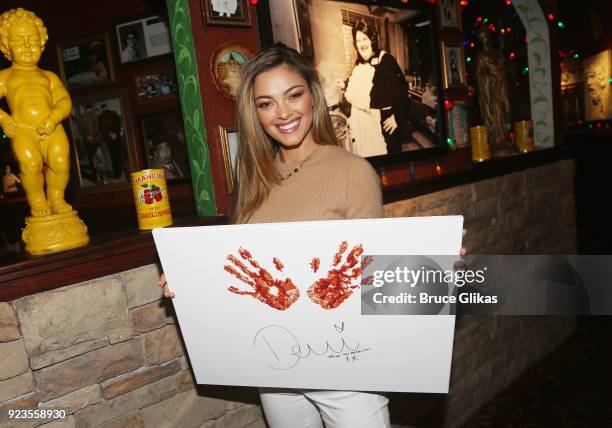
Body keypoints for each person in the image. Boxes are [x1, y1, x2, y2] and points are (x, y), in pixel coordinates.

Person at [158, 44, 467, 427]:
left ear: (312, 96)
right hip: (276, 366)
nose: (283, 113)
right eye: (266, 103)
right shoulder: (252, 180)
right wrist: (190, 279)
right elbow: (245, 270)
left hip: (347, 370)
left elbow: (371, 278)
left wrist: (428, 270)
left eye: (293, 95)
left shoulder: (351, 172)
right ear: (253, 113)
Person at [0, 8, 72, 216]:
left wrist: (54, 117)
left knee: (60, 162)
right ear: (6, 45)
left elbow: (64, 101)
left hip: (52, 126)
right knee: (30, 164)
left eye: (32, 39)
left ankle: (57, 198)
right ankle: (38, 201)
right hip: (23, 129)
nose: (27, 46)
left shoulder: (48, 77)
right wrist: (3, 118)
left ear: (41, 41)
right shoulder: (6, 76)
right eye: (19, 40)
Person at [347, 22, 411, 155]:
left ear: (371, 39)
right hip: (364, 124)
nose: (362, 43)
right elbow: (359, 89)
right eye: (358, 40)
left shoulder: (386, 60)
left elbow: (403, 91)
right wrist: (344, 85)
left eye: (364, 39)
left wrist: (397, 117)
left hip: (386, 124)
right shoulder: (358, 63)